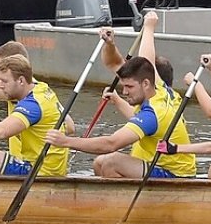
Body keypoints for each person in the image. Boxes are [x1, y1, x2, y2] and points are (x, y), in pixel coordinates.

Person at [44, 56, 197, 179]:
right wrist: (117, 101)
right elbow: (139, 119)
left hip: (176, 175)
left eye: (129, 87)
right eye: (123, 86)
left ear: (145, 83)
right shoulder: (160, 91)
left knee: (112, 161)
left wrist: (66, 141)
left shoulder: (153, 113)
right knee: (99, 162)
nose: (124, 92)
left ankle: (117, 211)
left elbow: (112, 143)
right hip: (161, 165)